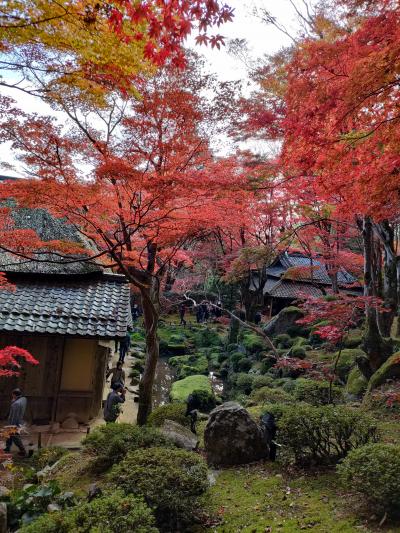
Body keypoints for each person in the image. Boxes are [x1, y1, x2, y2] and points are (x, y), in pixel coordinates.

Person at [4, 389, 28, 456]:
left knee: (15, 437)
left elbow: (14, 416)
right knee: (8, 435)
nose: (12, 396)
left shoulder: (15, 404)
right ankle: (7, 448)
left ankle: (23, 451)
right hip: (20, 419)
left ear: (14, 395)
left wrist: (11, 426)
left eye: (12, 394)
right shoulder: (24, 399)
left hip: (14, 422)